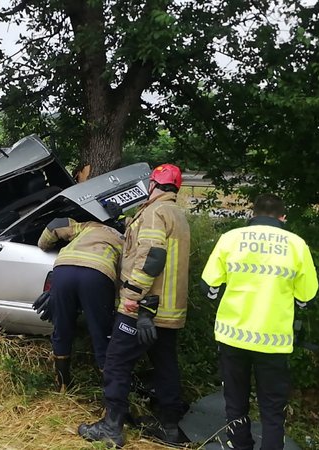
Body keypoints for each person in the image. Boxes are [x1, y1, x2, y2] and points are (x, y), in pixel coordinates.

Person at [79, 163, 190, 447]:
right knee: (165, 365)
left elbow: (152, 256)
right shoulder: (177, 213)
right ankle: (169, 428)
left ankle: (112, 428)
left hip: (143, 308)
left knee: (117, 362)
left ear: (153, 184)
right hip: (169, 311)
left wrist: (131, 296)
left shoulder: (155, 213)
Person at [200, 193, 318, 450]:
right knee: (273, 407)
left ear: (252, 215)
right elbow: (306, 297)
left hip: (232, 335)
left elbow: (208, 286)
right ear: (283, 217)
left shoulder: (230, 239)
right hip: (273, 340)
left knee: (235, 400)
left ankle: (240, 445)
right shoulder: (297, 245)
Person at [32, 203, 125, 391]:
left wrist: (43, 245)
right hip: (97, 276)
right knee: (101, 335)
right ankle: (111, 395)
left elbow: (54, 225)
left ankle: (62, 384)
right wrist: (114, 309)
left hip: (63, 271)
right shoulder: (123, 239)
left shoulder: (87, 226)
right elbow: (124, 276)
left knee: (62, 328)